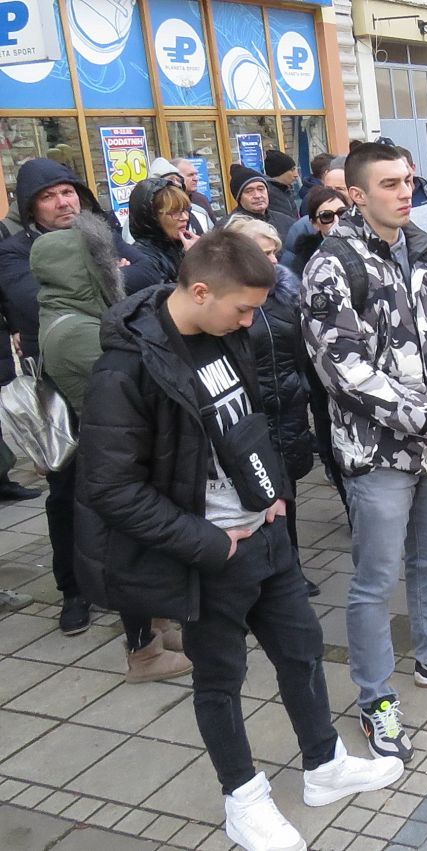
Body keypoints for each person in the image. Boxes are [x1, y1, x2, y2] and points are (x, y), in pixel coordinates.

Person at [75, 230, 406, 850]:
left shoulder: (226, 335)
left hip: (266, 531)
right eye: (244, 308)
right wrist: (207, 543)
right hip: (208, 553)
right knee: (220, 679)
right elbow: (110, 488)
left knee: (302, 649)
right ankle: (243, 800)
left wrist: (276, 492)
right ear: (200, 290)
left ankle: (324, 765)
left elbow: (247, 421)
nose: (253, 321)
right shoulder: (126, 369)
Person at [302, 145, 427, 767]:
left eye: (409, 180)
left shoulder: (425, 250)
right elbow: (345, 370)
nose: (405, 191)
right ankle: (375, 695)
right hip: (380, 453)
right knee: (375, 581)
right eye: (390, 183)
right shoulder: (332, 266)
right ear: (357, 194)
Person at [33, 207, 194, 683]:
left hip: (117, 454)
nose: (115, 268)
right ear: (83, 270)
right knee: (130, 552)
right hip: (112, 463)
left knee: (146, 549)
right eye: (101, 262)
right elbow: (136, 384)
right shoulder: (76, 330)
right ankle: (142, 650)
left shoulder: (76, 313)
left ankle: (160, 626)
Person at [0, 158, 156, 635]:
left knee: (133, 484)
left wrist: (119, 271)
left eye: (68, 191)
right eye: (48, 196)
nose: (62, 201)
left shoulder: (99, 229)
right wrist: (116, 275)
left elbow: (151, 269)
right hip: (61, 389)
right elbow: (39, 298)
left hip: (118, 378)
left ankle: (137, 586)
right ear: (31, 208)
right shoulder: (14, 252)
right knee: (67, 492)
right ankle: (73, 591)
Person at [222, 217, 322, 598]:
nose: (273, 259)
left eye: (274, 251)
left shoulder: (284, 294)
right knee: (257, 494)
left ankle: (290, 567)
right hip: (253, 415)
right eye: (262, 252)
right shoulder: (232, 303)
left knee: (287, 493)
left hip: (290, 408)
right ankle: (264, 571)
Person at [127, 178, 198, 287]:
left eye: (185, 210)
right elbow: (165, 298)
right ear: (153, 217)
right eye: (175, 212)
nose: (184, 217)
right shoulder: (143, 258)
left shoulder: (179, 246)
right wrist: (194, 261)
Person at [280, 186, 348, 276]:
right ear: (315, 224)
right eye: (326, 216)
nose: (337, 221)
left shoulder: (367, 243)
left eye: (342, 213)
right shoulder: (306, 260)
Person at [225, 163, 295, 240]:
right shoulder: (229, 229)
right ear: (239, 197)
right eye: (249, 191)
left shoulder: (286, 222)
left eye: (261, 189)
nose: (257, 196)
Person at [148, 158, 214, 235]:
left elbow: (214, 241)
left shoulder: (199, 210)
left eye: (177, 180)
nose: (196, 179)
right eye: (190, 175)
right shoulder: (145, 221)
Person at [172, 157, 220, 226]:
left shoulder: (201, 200)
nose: (196, 179)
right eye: (190, 175)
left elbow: (214, 229)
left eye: (196, 174)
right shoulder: (168, 203)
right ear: (176, 178)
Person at [263, 150, 300, 221]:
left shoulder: (285, 190)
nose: (296, 175)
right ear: (279, 171)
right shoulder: (267, 193)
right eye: (292, 170)